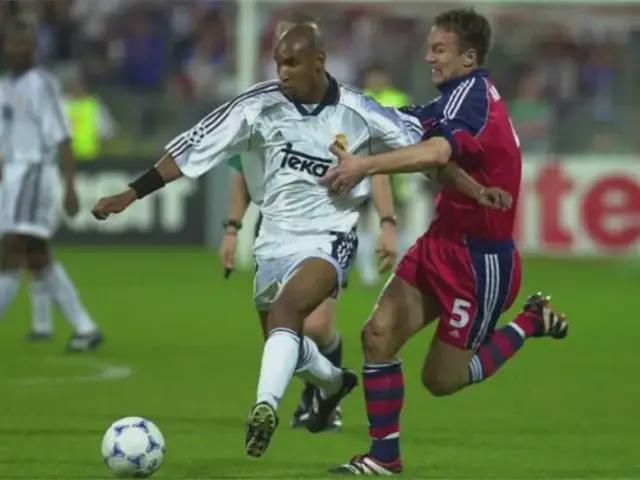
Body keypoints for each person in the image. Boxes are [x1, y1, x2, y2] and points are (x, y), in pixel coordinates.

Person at [92, 23, 511, 460]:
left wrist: (475, 190)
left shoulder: (359, 111)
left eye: (292, 63)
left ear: (319, 63)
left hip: (330, 235)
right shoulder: (257, 106)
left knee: (287, 311)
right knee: (282, 337)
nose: (283, 72)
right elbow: (193, 148)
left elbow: (426, 158)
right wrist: (131, 193)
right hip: (273, 237)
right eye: (278, 64)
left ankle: (264, 409)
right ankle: (333, 382)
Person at [322, 9, 569, 475]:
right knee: (377, 335)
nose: (429, 57)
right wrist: (344, 109)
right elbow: (410, 130)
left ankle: (529, 322)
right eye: (429, 48)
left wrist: (363, 166)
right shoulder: (453, 98)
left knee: (442, 379)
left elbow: (437, 153)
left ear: (468, 58)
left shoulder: (473, 97)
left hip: (480, 263)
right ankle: (384, 457)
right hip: (441, 242)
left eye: (439, 50)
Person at [0, 19, 103, 351]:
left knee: (11, 250)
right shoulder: (5, 86)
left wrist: (70, 186)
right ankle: (85, 328)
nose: (18, 50)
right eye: (13, 44)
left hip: (34, 172)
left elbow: (63, 137)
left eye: (24, 45)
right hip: (14, 177)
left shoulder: (41, 84)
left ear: (34, 49)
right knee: (37, 256)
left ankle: (84, 327)